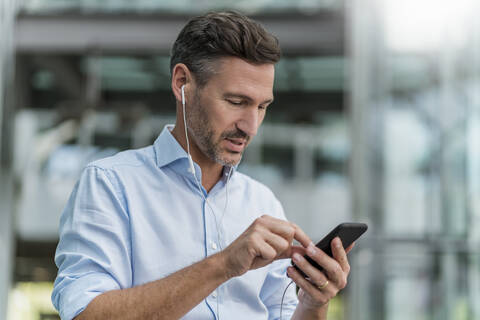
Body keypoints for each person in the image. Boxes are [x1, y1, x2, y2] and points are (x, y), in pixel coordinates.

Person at [51, 11, 354, 320]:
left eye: (262, 107)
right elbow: (85, 315)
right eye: (236, 102)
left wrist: (313, 305)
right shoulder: (110, 184)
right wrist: (223, 264)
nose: (250, 126)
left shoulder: (263, 203)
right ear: (182, 83)